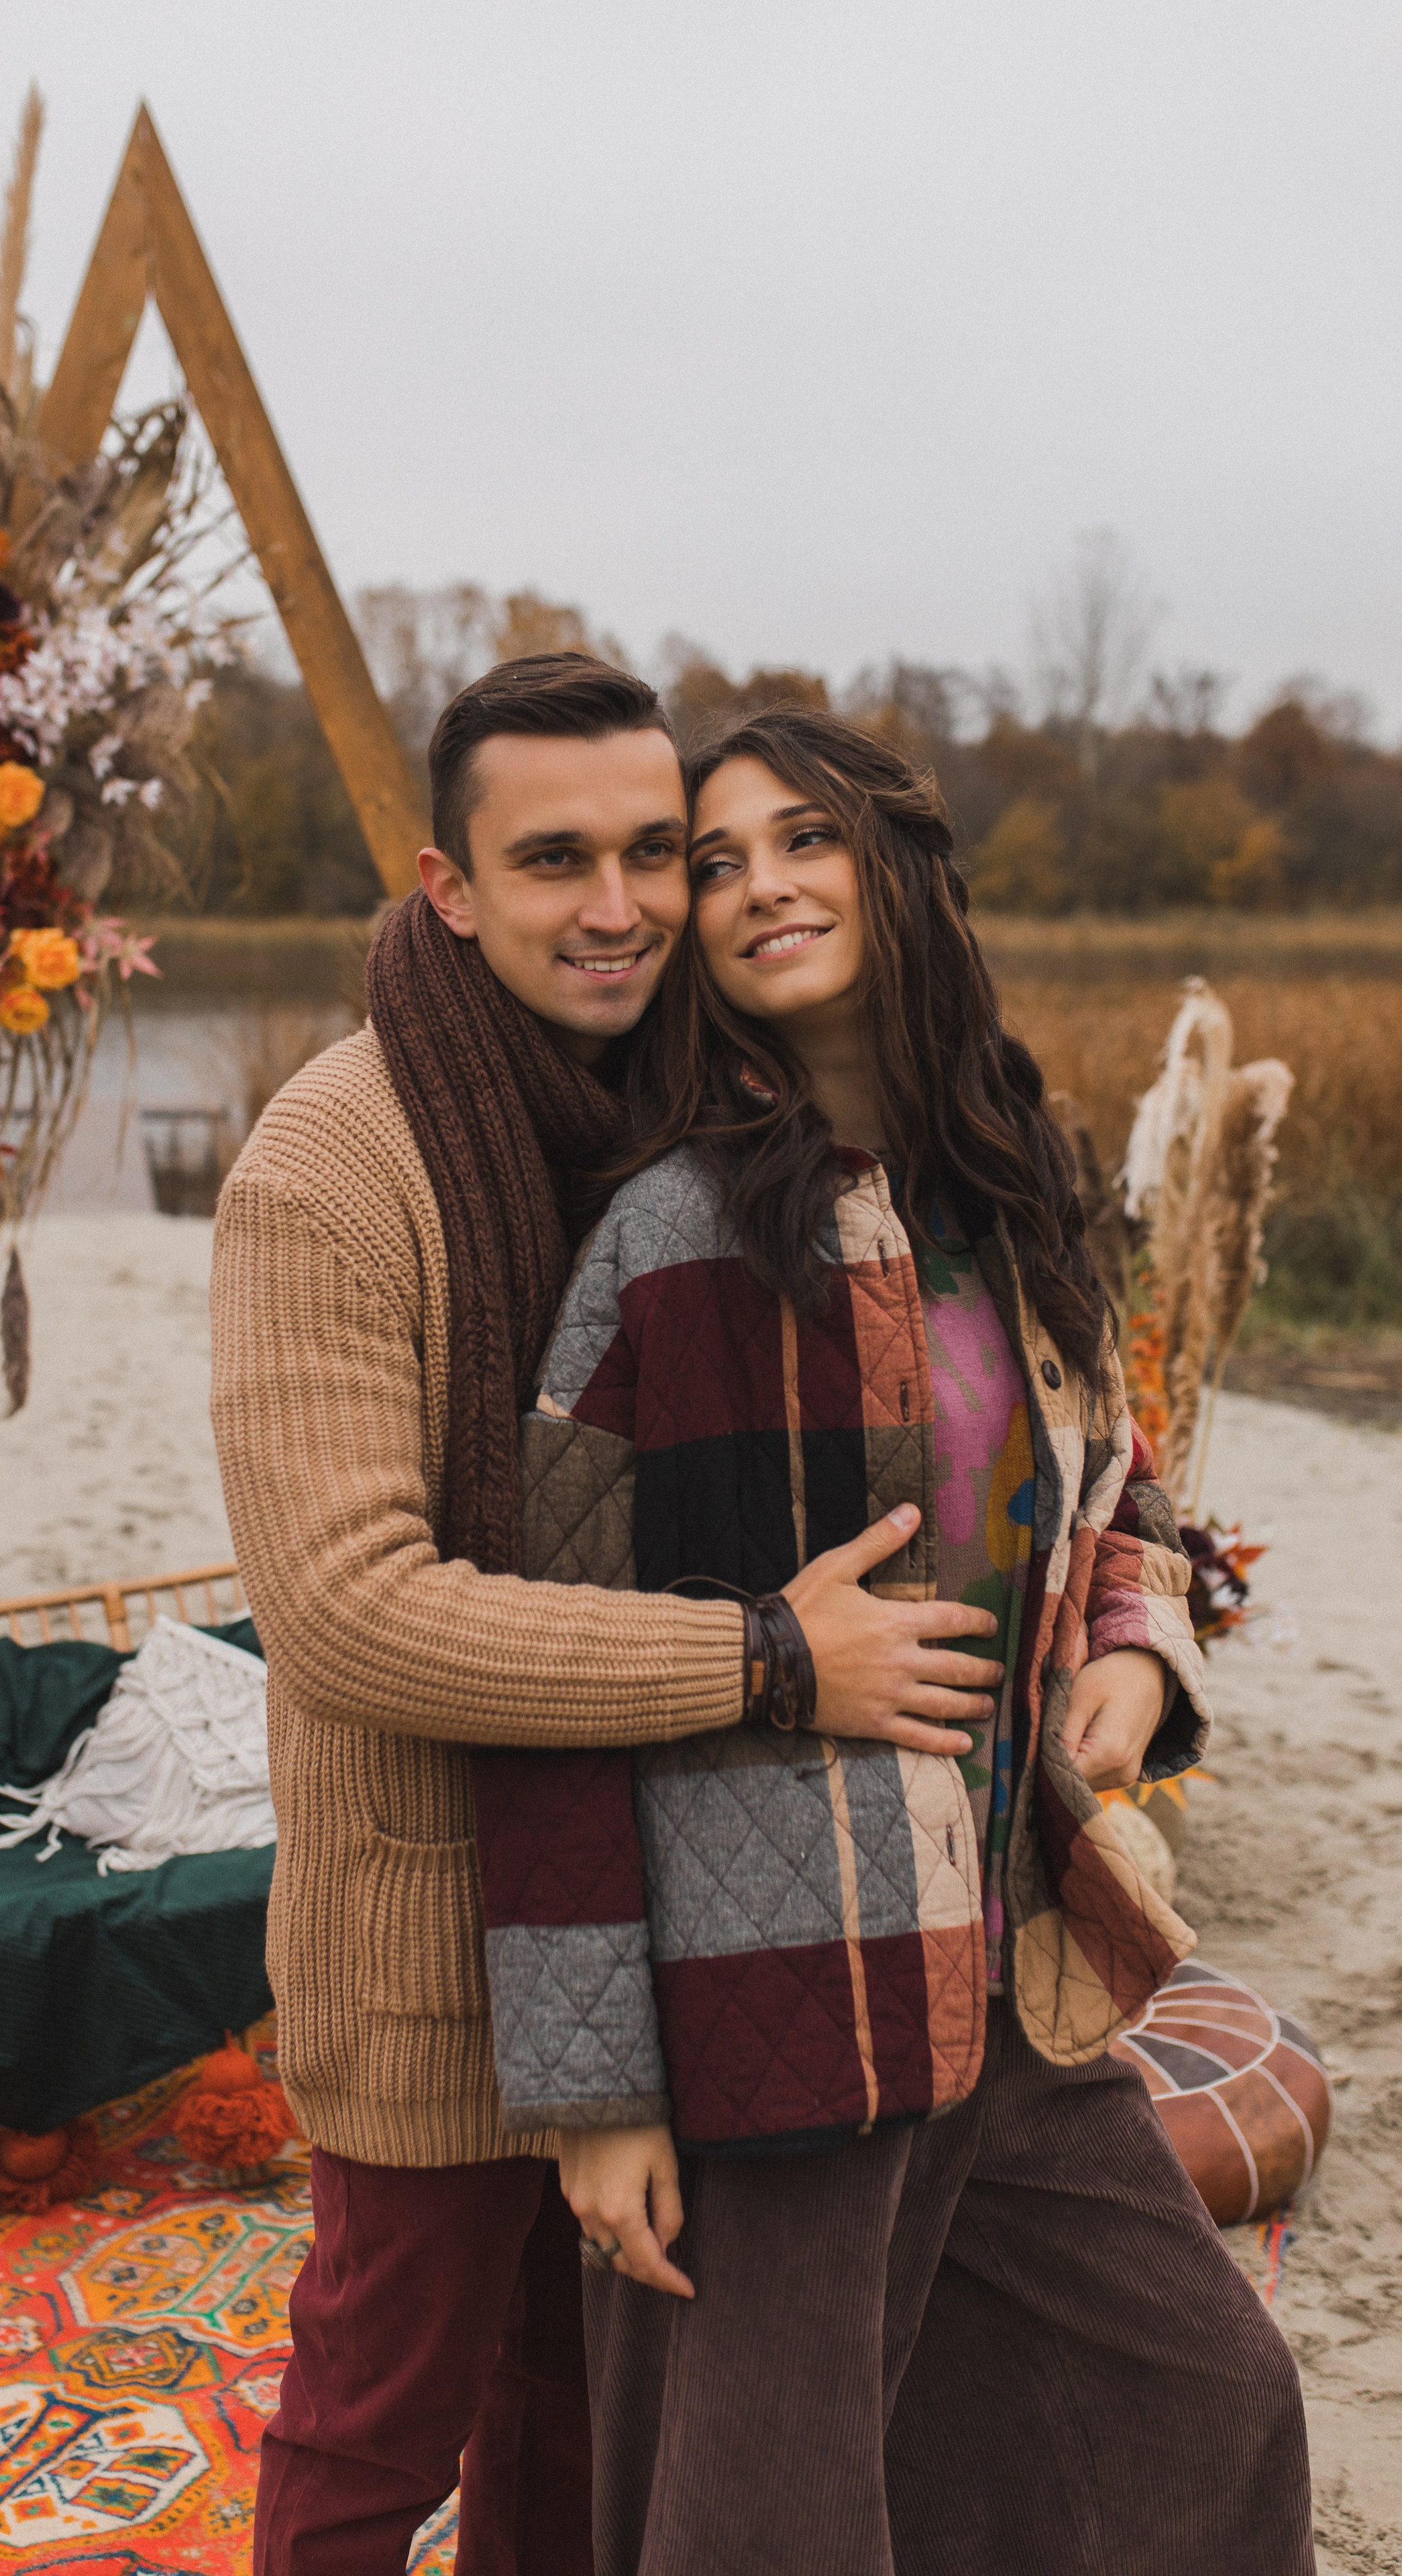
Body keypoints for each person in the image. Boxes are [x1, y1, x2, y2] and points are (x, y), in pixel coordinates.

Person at [477, 704, 1315, 2574]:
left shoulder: (1013, 1181)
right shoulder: (671, 1243)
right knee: (770, 2522)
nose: (759, 885)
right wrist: (596, 2096)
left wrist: (1135, 1640)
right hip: (785, 1992)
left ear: (898, 866)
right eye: (716, 861)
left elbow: (1121, 1476)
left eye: (804, 839)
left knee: (1197, 2405)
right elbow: (550, 1670)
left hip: (1013, 1966)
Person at [209, 658, 1003, 2575]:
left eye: (655, 851)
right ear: (449, 884)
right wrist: (770, 1653)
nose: (624, 904)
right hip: (424, 1928)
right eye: (554, 859)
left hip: (671, 1918)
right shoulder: (333, 1164)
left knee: (585, 2424)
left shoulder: (690, 1117)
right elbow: (348, 1613)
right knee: (377, 2422)